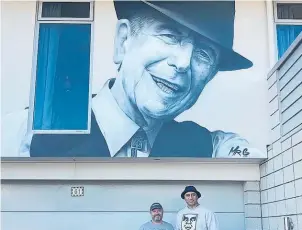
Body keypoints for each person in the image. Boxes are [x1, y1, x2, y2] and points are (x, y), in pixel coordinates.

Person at [23, 0, 264, 158]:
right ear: (123, 41)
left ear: (210, 76)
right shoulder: (29, 132)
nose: (182, 63)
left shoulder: (209, 148)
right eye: (169, 35)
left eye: (203, 54)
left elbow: (249, 160)